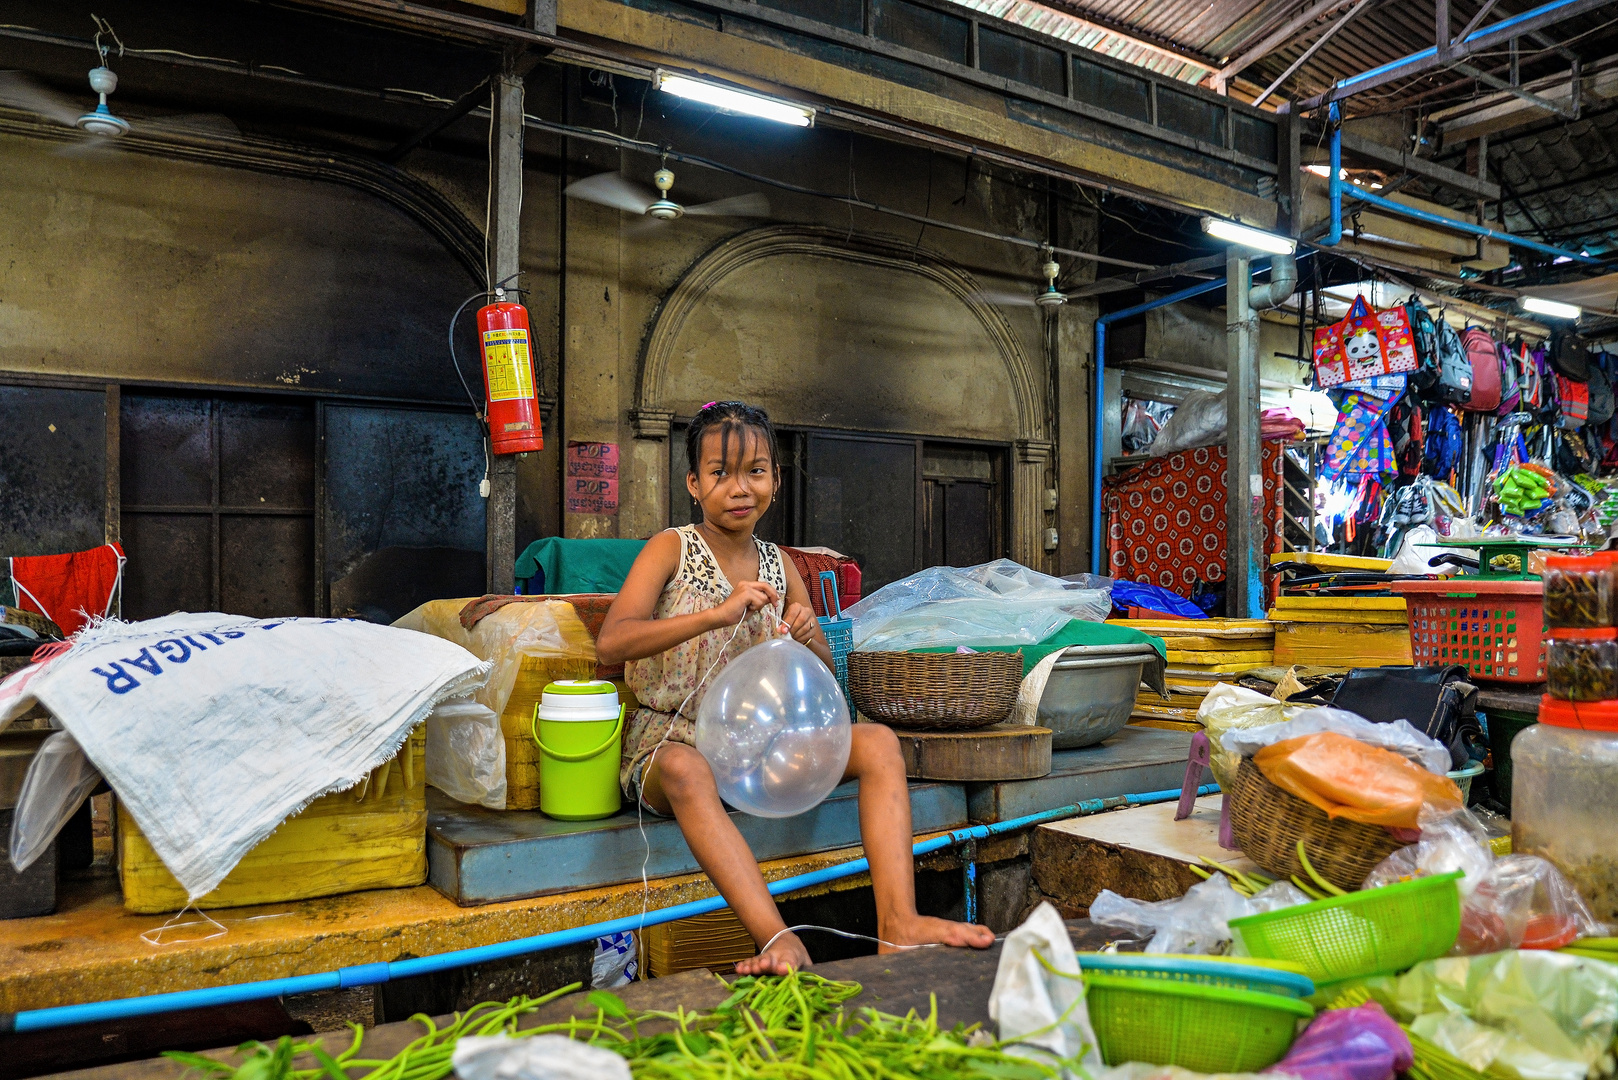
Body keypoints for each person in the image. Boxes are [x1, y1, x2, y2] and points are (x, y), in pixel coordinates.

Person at [596, 401, 995, 974]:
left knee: (878, 741)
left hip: (760, 746)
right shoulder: (672, 549)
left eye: (755, 471)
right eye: (719, 473)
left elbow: (825, 684)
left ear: (776, 482)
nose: (739, 488)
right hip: (674, 741)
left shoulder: (780, 564)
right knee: (687, 768)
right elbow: (613, 642)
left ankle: (898, 922)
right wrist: (715, 615)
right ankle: (776, 936)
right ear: (693, 483)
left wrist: (810, 637)